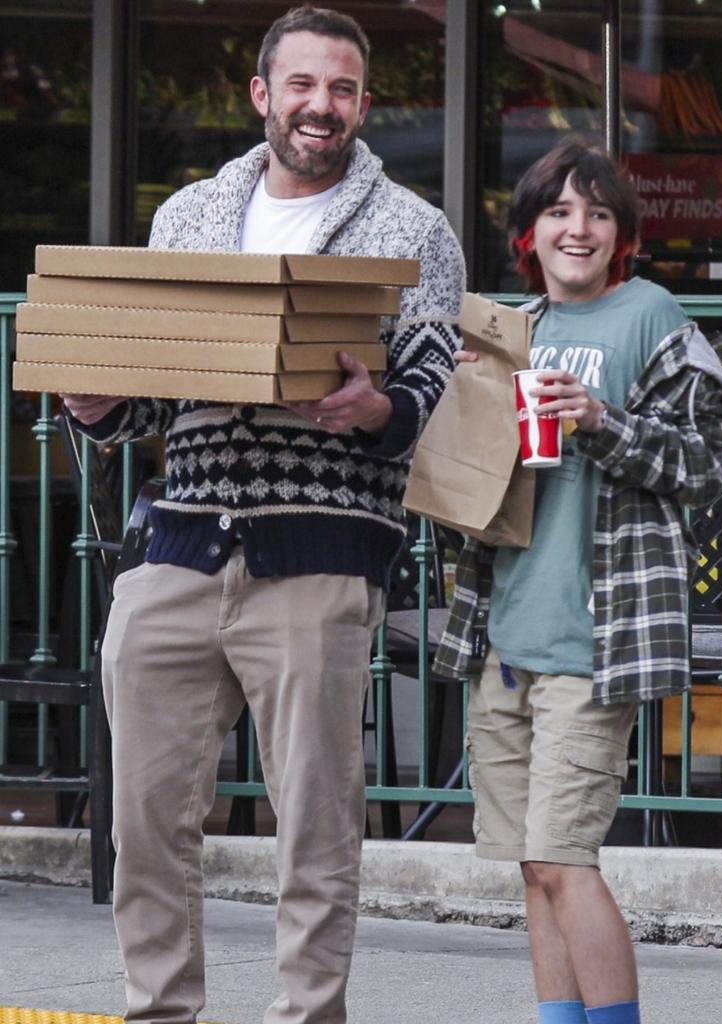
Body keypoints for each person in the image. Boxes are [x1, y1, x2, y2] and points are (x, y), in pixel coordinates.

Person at [61, 6, 465, 1023]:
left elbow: (435, 390)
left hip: (320, 554)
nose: (320, 106)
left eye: (341, 89)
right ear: (261, 95)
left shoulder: (414, 229)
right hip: (179, 544)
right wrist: (99, 407)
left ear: (364, 104)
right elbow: (156, 392)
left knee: (315, 827)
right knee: (146, 820)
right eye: (302, 85)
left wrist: (377, 410)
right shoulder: (187, 215)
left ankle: (308, 1016)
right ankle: (158, 1010)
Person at [434, 139, 722, 1024]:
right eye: (559, 211)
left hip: (595, 643)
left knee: (566, 860)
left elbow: (705, 465)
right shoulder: (514, 330)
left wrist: (602, 419)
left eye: (598, 213)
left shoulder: (655, 316)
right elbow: (473, 489)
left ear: (621, 234)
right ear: (529, 232)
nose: (579, 227)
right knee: (533, 867)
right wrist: (461, 422)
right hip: (505, 640)